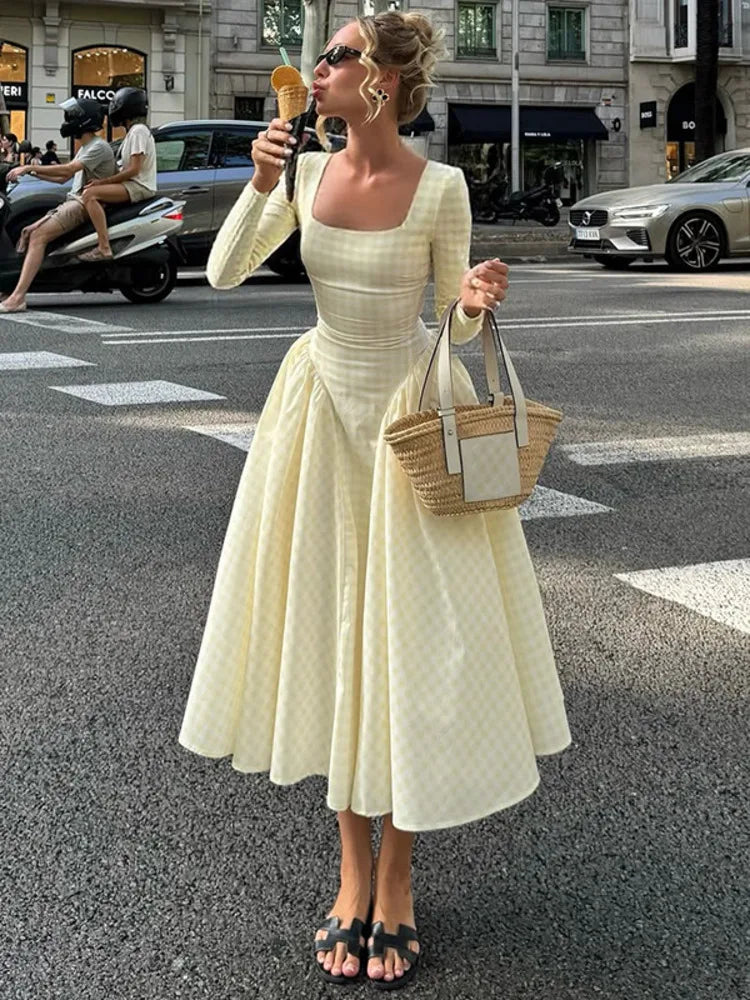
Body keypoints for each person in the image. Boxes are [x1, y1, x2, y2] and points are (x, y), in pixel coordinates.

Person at [178, 9, 571, 991]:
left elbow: (449, 317)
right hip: (315, 417)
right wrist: (263, 184)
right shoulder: (303, 174)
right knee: (331, 638)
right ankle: (350, 873)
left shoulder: (440, 186)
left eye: (339, 56)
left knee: (401, 647)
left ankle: (395, 876)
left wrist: (474, 300)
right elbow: (222, 270)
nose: (318, 69)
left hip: (405, 417)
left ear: (384, 83)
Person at [0, 98, 115, 313]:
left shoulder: (98, 147)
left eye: (71, 117)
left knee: (38, 236)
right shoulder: (86, 147)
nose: (67, 121)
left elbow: (68, 170)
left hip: (82, 204)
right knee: (26, 232)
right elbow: (64, 179)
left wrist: (26, 168)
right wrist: (31, 173)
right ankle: (10, 288)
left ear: (83, 121)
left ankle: (18, 297)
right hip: (74, 200)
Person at [77, 87, 157, 262]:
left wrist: (103, 182)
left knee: (90, 194)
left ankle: (104, 248)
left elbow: (134, 169)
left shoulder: (138, 131)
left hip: (139, 186)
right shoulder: (133, 133)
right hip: (133, 184)